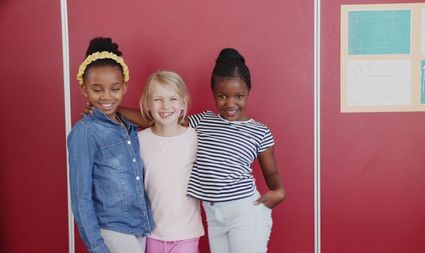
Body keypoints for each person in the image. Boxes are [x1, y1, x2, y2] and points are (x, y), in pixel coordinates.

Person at [116, 48, 286, 253]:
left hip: (245, 211)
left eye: (239, 96)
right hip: (214, 215)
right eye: (222, 96)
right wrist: (112, 109)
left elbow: (272, 172)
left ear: (248, 92)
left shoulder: (259, 131)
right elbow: (161, 120)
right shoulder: (203, 121)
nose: (231, 103)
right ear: (214, 93)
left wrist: (279, 192)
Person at [68, 37, 154, 253]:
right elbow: (81, 198)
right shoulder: (85, 132)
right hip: (112, 229)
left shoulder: (129, 126)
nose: (106, 96)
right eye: (97, 90)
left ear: (124, 86)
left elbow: (154, 120)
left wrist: (115, 108)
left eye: (114, 88)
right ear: (84, 89)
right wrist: (97, 247)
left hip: (140, 226)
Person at [138, 71, 204, 253]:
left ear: (183, 103)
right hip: (151, 234)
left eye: (173, 99)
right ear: (147, 104)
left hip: (186, 234)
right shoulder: (139, 141)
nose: (165, 105)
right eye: (158, 99)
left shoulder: (195, 138)